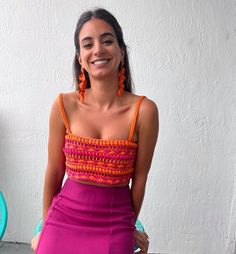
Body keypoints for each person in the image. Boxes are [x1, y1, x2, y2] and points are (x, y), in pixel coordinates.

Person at [31, 8, 159, 254]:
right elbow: (55, 172)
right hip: (63, 218)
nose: (98, 49)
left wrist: (129, 225)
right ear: (80, 58)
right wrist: (45, 227)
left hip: (114, 223)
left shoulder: (144, 111)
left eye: (107, 40)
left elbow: (139, 180)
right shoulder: (63, 106)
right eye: (88, 44)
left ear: (122, 52)